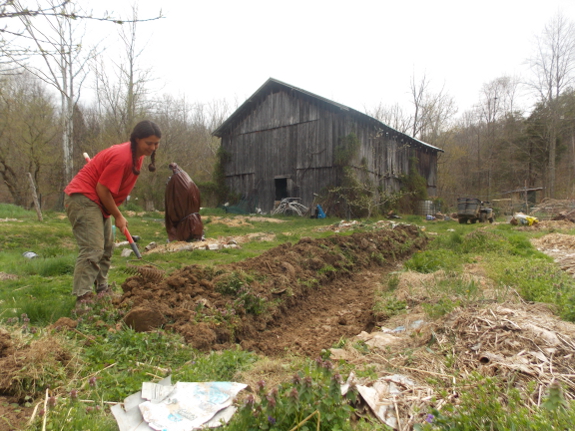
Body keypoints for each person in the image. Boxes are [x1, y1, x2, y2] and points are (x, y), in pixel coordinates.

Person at [64, 120, 161, 303]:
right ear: (137, 140)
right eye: (149, 143)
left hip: (98, 201)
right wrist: (118, 215)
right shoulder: (122, 158)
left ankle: (102, 290)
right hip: (83, 198)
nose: (153, 147)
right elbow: (102, 189)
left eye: (156, 143)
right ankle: (83, 297)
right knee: (92, 248)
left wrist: (115, 211)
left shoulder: (136, 156)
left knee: (107, 247)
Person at [164, 162, 204, 242]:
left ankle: (184, 235)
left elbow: (172, 203)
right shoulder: (186, 179)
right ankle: (195, 234)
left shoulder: (177, 181)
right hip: (191, 212)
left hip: (185, 214)